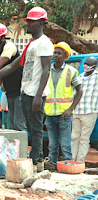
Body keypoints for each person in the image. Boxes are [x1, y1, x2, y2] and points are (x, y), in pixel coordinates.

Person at [0, 7, 54, 173]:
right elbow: (12, 66)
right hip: (25, 92)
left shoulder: (45, 43)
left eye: (32, 21)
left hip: (35, 94)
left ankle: (35, 163)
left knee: (35, 129)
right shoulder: (31, 44)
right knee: (29, 128)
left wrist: (39, 96)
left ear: (41, 22)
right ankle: (33, 161)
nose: (28, 24)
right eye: (28, 21)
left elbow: (46, 70)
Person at [44, 42, 82, 170]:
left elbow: (80, 91)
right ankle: (52, 166)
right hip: (49, 113)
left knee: (65, 144)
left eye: (59, 53)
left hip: (64, 114)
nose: (56, 55)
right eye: (55, 52)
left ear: (65, 55)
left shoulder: (71, 71)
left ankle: (67, 167)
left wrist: (70, 109)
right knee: (52, 144)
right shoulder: (47, 70)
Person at [71, 57, 98, 163]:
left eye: (88, 64)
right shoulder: (80, 76)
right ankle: (71, 160)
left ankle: (80, 162)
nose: (85, 66)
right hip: (77, 111)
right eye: (85, 63)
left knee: (84, 139)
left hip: (90, 112)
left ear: (94, 67)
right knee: (74, 137)